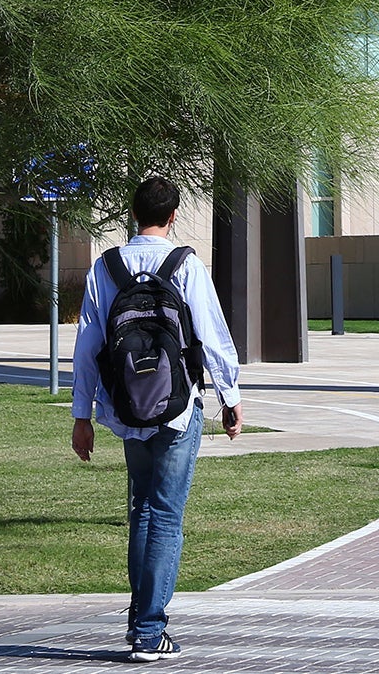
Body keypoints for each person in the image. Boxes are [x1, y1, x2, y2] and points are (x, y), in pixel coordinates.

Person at [70, 177, 243, 663]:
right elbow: (212, 334)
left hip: (128, 410)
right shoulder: (186, 264)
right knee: (166, 514)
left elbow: (87, 345)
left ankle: (139, 620)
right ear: (173, 216)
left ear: (132, 213)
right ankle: (149, 630)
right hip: (178, 409)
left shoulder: (106, 267)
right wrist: (230, 397)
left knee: (142, 510)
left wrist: (82, 415)